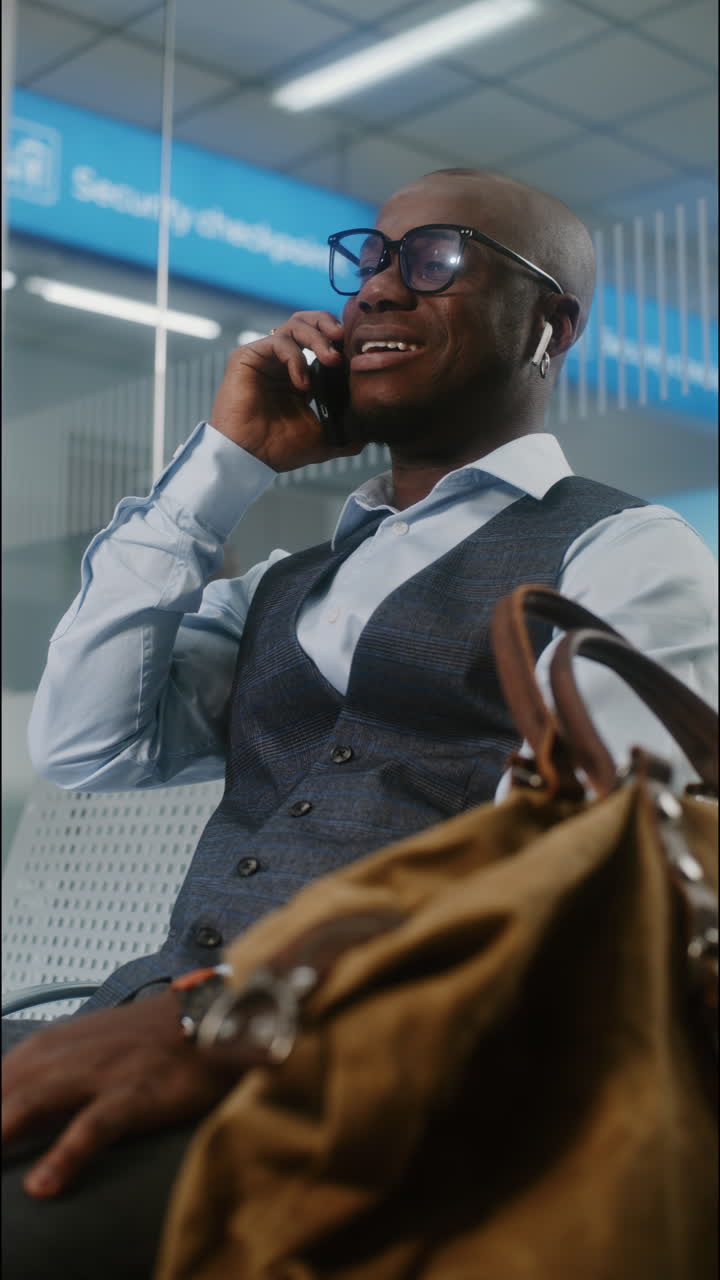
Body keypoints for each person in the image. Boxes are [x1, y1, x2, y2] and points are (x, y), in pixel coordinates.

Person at [3, 168, 717, 1277]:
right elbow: (88, 742)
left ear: (550, 325)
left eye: (435, 259)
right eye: (370, 261)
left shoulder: (624, 553)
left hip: (381, 1076)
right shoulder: (289, 582)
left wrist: (225, 1016)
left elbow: (588, 871)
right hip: (148, 1021)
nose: (377, 290)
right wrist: (223, 472)